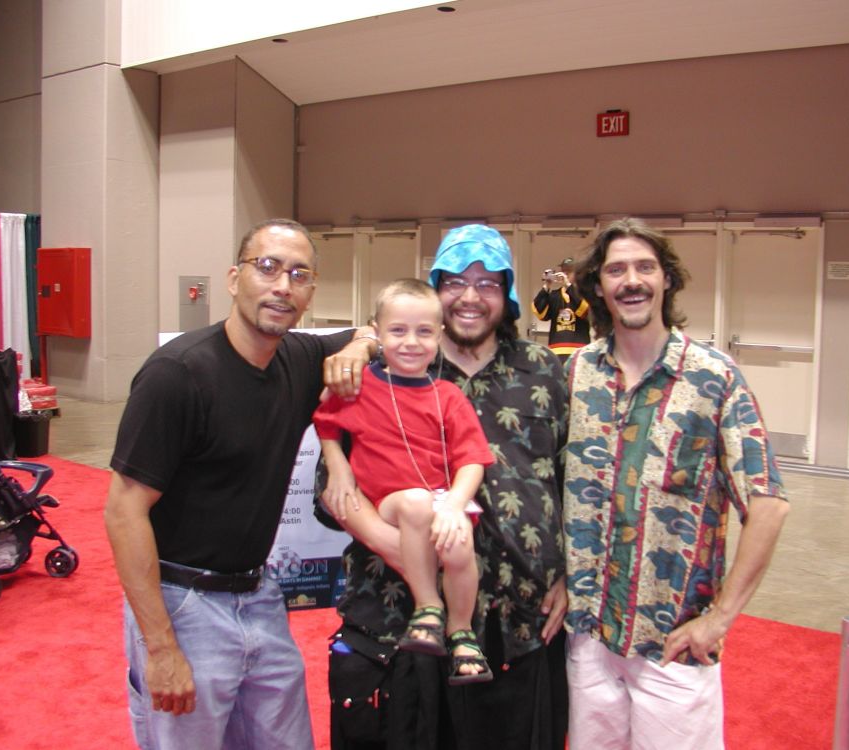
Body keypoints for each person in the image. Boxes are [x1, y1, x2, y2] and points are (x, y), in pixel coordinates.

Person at [104, 218, 377, 750]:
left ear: (310, 292)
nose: (282, 286)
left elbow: (374, 327)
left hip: (259, 594)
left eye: (299, 274)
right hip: (182, 602)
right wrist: (159, 649)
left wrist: (360, 346)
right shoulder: (177, 375)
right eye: (267, 267)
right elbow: (123, 512)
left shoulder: (299, 358)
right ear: (234, 278)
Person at [318, 224, 569, 750]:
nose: (471, 296)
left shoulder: (547, 372)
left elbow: (579, 486)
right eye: (455, 281)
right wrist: (405, 552)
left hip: (521, 623)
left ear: (510, 295)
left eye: (489, 283)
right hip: (402, 621)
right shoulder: (390, 367)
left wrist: (571, 578)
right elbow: (333, 491)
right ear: (435, 288)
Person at [562, 217, 790, 749]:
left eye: (645, 267)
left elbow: (768, 504)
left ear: (667, 279)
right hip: (588, 639)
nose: (631, 280)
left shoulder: (714, 377)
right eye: (616, 270)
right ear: (599, 287)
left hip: (673, 644)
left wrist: (720, 619)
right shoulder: (577, 375)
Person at [314, 278, 495, 684]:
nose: (411, 342)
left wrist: (453, 507)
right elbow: (324, 423)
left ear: (439, 335)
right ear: (376, 333)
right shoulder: (359, 387)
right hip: (390, 502)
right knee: (414, 502)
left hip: (439, 500)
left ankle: (461, 633)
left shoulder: (447, 394)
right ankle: (428, 606)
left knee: (461, 540)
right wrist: (338, 465)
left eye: (424, 332)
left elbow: (473, 460)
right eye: (398, 331)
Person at [531, 256, 590, 364]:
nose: (565, 274)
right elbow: (540, 313)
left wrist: (568, 286)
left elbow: (586, 311)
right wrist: (547, 286)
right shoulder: (554, 295)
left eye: (569, 271)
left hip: (580, 351)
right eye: (563, 271)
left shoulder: (585, 293)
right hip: (556, 351)